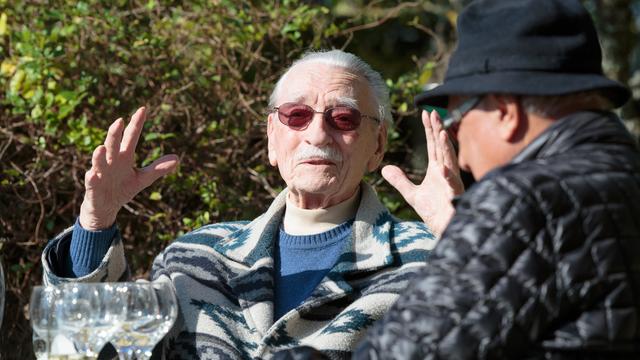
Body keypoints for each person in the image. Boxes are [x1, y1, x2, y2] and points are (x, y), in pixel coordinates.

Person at [41, 50, 457, 359]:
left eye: (343, 119)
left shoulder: (430, 258)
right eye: (296, 116)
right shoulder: (194, 258)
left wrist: (464, 235)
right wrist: (95, 225)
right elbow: (90, 350)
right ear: (272, 139)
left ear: (377, 145)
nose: (317, 134)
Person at [352, 0, 640, 358]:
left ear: (505, 113)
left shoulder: (523, 197)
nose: (465, 158)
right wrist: (461, 230)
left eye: (455, 121)